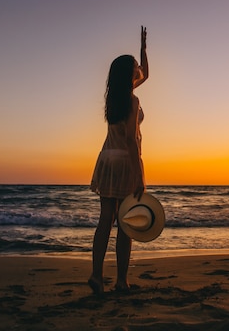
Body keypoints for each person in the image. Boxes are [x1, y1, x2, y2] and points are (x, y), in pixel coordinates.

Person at [88, 26, 149, 294]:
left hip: (106, 159)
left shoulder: (114, 97)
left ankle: (96, 276)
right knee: (125, 223)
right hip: (125, 161)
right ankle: (121, 281)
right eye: (136, 65)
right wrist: (139, 176)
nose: (139, 68)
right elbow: (131, 141)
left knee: (105, 220)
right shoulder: (132, 101)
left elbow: (147, 74)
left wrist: (143, 50)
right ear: (130, 74)